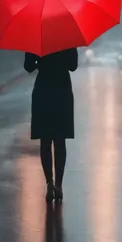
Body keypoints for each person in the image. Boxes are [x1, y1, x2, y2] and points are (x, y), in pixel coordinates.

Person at [24, 48, 78, 202]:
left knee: (45, 141)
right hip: (62, 90)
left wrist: (39, 57)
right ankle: (59, 186)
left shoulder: (37, 39)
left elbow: (28, 66)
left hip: (43, 89)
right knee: (60, 140)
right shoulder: (68, 39)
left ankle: (49, 183)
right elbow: (73, 66)